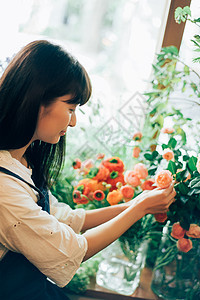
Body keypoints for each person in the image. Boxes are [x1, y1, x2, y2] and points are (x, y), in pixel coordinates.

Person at [0, 40, 176, 300]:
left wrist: (137, 202)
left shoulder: (20, 163)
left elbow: (66, 218)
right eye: (70, 109)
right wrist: (140, 209)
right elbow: (73, 250)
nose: (73, 122)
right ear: (37, 101)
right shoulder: (4, 189)